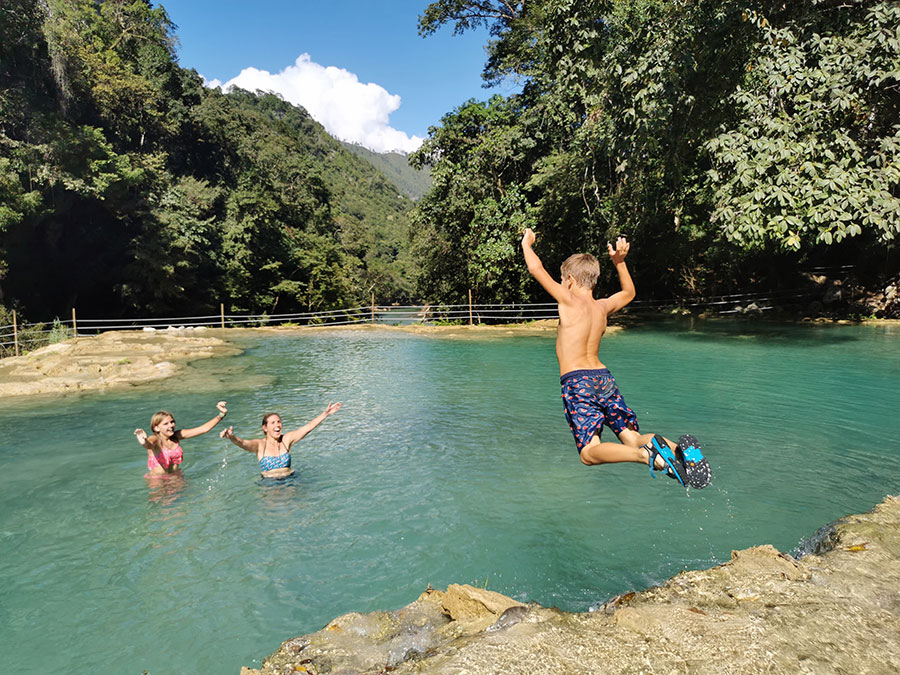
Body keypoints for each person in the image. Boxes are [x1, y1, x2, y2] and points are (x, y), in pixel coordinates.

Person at [520, 228, 710, 489]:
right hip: (604, 379)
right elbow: (629, 293)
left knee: (589, 453)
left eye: (563, 279)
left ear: (571, 280)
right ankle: (684, 454)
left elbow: (535, 269)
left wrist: (527, 244)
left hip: (578, 382)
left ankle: (647, 456)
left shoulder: (567, 300)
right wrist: (620, 262)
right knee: (632, 437)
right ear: (594, 281)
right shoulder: (603, 306)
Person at [219, 402, 342, 478]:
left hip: (291, 480)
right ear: (265, 428)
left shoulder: (286, 440)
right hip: (269, 484)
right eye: (273, 423)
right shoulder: (260, 445)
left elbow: (308, 427)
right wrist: (231, 437)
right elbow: (242, 443)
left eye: (279, 421)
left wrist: (325, 414)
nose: (277, 425)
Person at [135, 401, 229, 476]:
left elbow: (203, 429)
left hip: (176, 476)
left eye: (172, 422)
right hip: (158, 480)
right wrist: (143, 441)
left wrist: (221, 415)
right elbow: (148, 444)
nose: (171, 425)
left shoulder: (177, 436)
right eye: (166, 424)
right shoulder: (155, 439)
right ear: (156, 428)